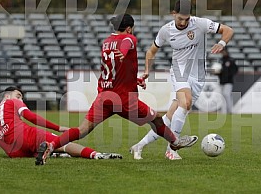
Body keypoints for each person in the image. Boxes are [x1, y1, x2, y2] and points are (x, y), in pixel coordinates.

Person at [35, 14, 198, 165]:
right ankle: (175, 143)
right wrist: (124, 50)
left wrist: (135, 80)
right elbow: (127, 44)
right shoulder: (129, 38)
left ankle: (51, 145)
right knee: (156, 119)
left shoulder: (106, 42)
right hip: (124, 99)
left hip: (104, 97)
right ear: (129, 28)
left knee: (82, 130)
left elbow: (116, 70)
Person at [129, 0, 234, 160]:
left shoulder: (200, 23)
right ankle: (172, 148)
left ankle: (139, 145)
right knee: (186, 103)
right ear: (173, 14)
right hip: (179, 71)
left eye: (186, 19)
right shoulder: (166, 31)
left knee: (169, 117)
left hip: (198, 76)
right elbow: (151, 52)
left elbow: (228, 30)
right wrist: (147, 70)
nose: (184, 22)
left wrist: (222, 43)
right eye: (180, 18)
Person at [0, 86, 122, 160]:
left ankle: (58, 155)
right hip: (26, 137)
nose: (21, 99)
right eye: (18, 95)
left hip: (14, 153)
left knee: (46, 149)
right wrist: (59, 128)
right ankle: (97, 155)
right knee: (62, 141)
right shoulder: (11, 102)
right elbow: (31, 117)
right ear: (7, 96)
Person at [217, 48, 238, 113]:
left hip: (229, 81)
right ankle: (223, 111)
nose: (223, 53)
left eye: (224, 51)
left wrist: (228, 74)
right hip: (221, 81)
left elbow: (235, 70)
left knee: (227, 94)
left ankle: (230, 110)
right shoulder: (220, 60)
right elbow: (218, 70)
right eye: (222, 52)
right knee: (222, 96)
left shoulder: (231, 60)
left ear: (227, 52)